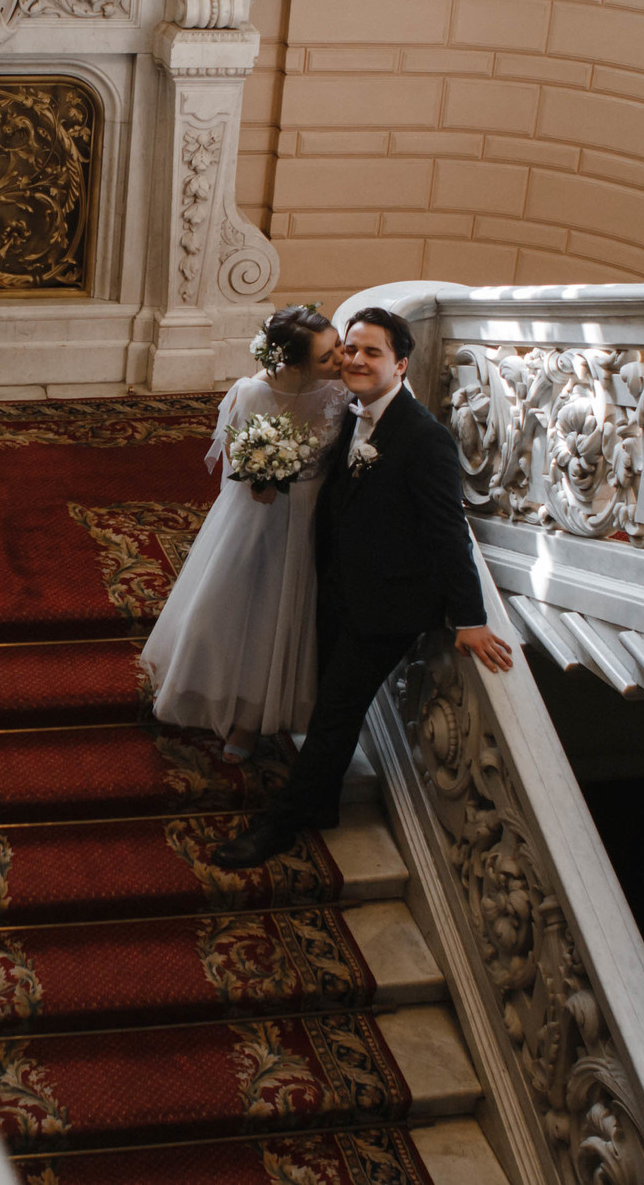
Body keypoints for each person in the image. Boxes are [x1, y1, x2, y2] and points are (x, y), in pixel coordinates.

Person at [212, 304, 515, 869]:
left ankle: (276, 828)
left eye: (372, 352)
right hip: (338, 587)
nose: (354, 359)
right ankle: (323, 804)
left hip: (388, 606)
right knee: (332, 699)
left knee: (335, 713)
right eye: (350, 348)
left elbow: (450, 532)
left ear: (400, 365)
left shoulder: (425, 439)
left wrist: (470, 619)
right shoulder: (351, 412)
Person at [140, 305, 348, 761]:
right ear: (294, 364)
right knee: (235, 605)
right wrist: (259, 476)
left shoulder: (343, 388)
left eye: (338, 346)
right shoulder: (253, 392)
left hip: (314, 515)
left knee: (286, 614)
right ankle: (204, 686)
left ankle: (253, 718)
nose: (341, 358)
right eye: (327, 356)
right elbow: (235, 453)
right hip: (257, 516)